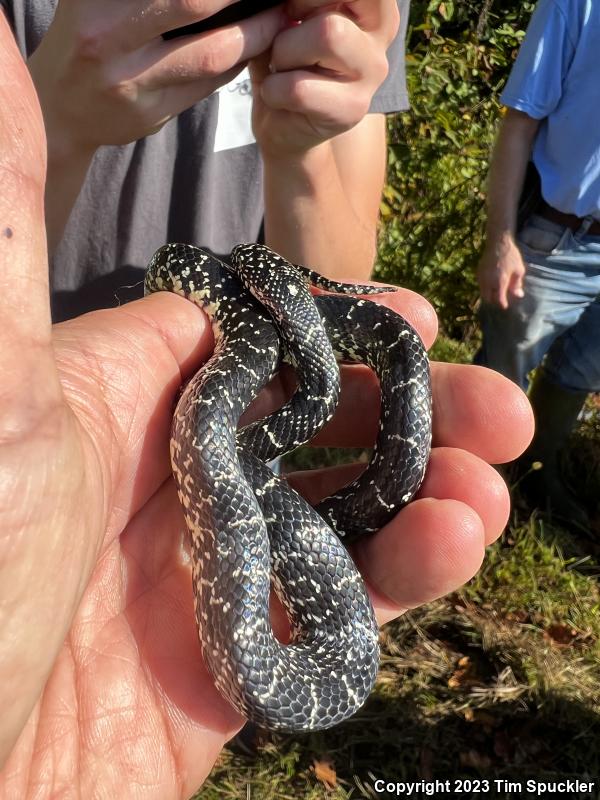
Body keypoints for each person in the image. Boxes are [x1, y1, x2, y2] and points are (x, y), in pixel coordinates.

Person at [0, 17, 534, 796]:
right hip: (74, 383)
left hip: (234, 418)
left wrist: (304, 145)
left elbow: (328, 276)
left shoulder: (359, 12)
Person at [1, 0, 410, 322]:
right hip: (47, 389)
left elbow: (335, 300)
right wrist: (55, 125)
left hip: (246, 406)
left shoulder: (362, 10)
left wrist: (299, 149)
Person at [475, 0, 600, 526]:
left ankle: (537, 480)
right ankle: (472, 493)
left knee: (582, 368)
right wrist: (501, 239)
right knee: (504, 371)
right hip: (558, 235)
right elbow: (520, 122)